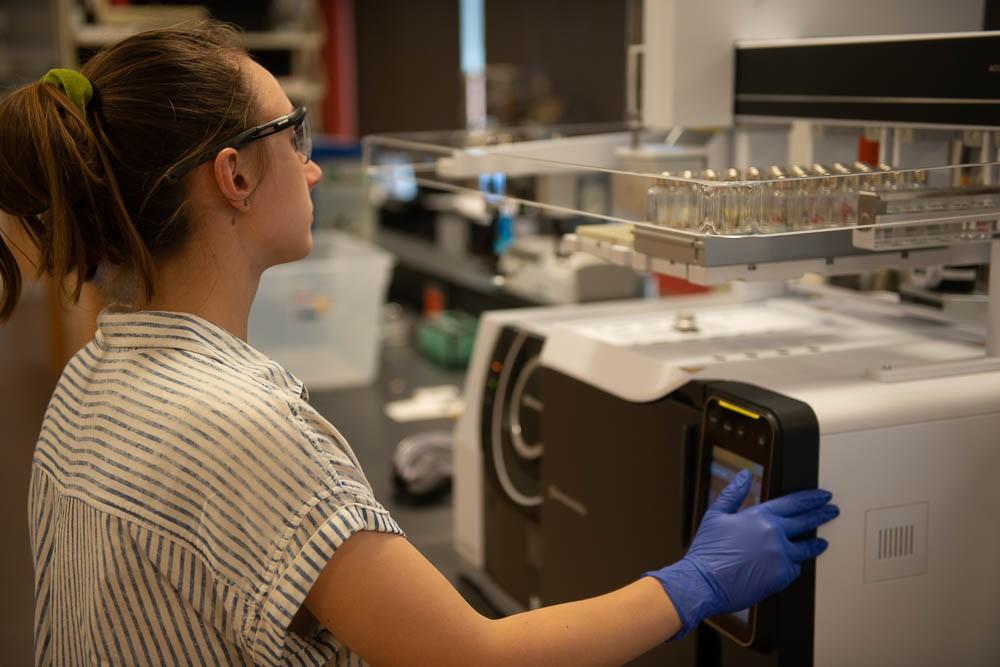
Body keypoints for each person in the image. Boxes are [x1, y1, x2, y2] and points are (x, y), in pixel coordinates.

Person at [0, 22, 839, 666]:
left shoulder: (94, 375)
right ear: (237, 176)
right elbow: (471, 657)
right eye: (293, 134)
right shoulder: (237, 425)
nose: (315, 164)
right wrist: (691, 584)